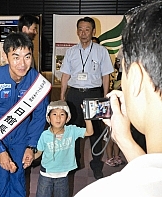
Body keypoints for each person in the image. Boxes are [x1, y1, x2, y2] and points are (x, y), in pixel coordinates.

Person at [75, 1, 162, 196]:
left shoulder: (100, 192)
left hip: (94, 91)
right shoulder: (73, 51)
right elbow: (153, 174)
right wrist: (124, 139)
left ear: (137, 78)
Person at [0, 32, 50, 197]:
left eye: (27, 57)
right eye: (16, 57)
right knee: (0, 180)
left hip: (22, 137)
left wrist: (31, 146)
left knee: (18, 180)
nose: (22, 64)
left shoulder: (37, 82)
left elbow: (39, 116)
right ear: (5, 56)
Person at [60, 16, 114, 179]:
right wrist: (62, 97)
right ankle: (73, 164)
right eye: (81, 29)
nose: (83, 33)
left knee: (96, 132)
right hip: (74, 94)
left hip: (94, 94)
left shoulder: (101, 51)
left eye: (87, 29)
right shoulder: (71, 52)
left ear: (93, 32)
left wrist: (105, 98)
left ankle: (96, 165)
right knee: (73, 132)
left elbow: (106, 76)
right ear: (77, 31)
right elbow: (65, 76)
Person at [35, 100, 93, 197]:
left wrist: (87, 117)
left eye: (62, 114)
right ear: (48, 118)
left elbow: (89, 132)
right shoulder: (45, 135)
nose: (58, 118)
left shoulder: (72, 130)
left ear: (67, 118)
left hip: (63, 174)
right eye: (54, 114)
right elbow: (38, 152)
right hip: (46, 174)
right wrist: (30, 157)